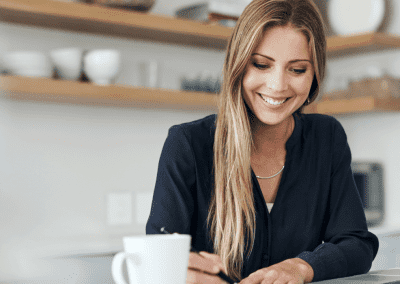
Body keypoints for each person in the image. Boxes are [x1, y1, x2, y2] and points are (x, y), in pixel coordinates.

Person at [146, 0, 379, 283]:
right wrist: (176, 272)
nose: (278, 85)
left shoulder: (326, 137)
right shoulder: (187, 144)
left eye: (297, 69)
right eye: (261, 64)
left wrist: (301, 267)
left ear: (315, 74)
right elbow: (158, 256)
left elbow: (356, 243)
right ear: (239, 64)